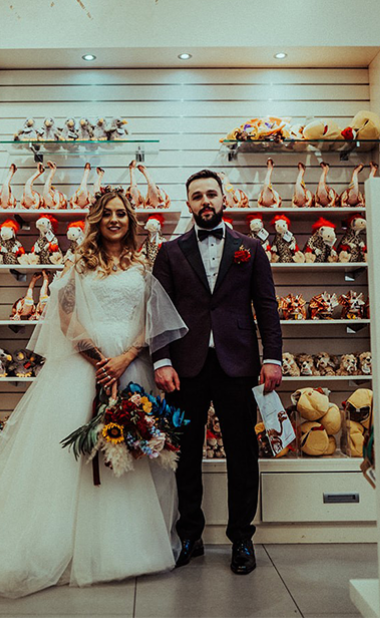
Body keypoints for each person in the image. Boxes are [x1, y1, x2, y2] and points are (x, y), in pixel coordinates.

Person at [0, 188, 188, 599]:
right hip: (83, 370)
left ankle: (129, 547)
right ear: (97, 219)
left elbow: (151, 318)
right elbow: (66, 320)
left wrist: (126, 358)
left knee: (131, 453)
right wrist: (100, 361)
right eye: (108, 214)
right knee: (74, 461)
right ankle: (68, 546)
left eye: (122, 214)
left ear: (131, 221)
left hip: (132, 368)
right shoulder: (77, 263)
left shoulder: (143, 263)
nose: (115, 219)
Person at [152, 169, 283, 575]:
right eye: (197, 196)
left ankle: (242, 538)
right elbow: (158, 311)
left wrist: (272, 357)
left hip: (238, 363)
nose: (205, 201)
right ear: (188, 203)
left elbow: (266, 305)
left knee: (243, 453)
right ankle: (190, 534)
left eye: (212, 194)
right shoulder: (170, 252)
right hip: (186, 367)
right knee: (185, 454)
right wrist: (162, 359)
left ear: (224, 199)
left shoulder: (251, 248)